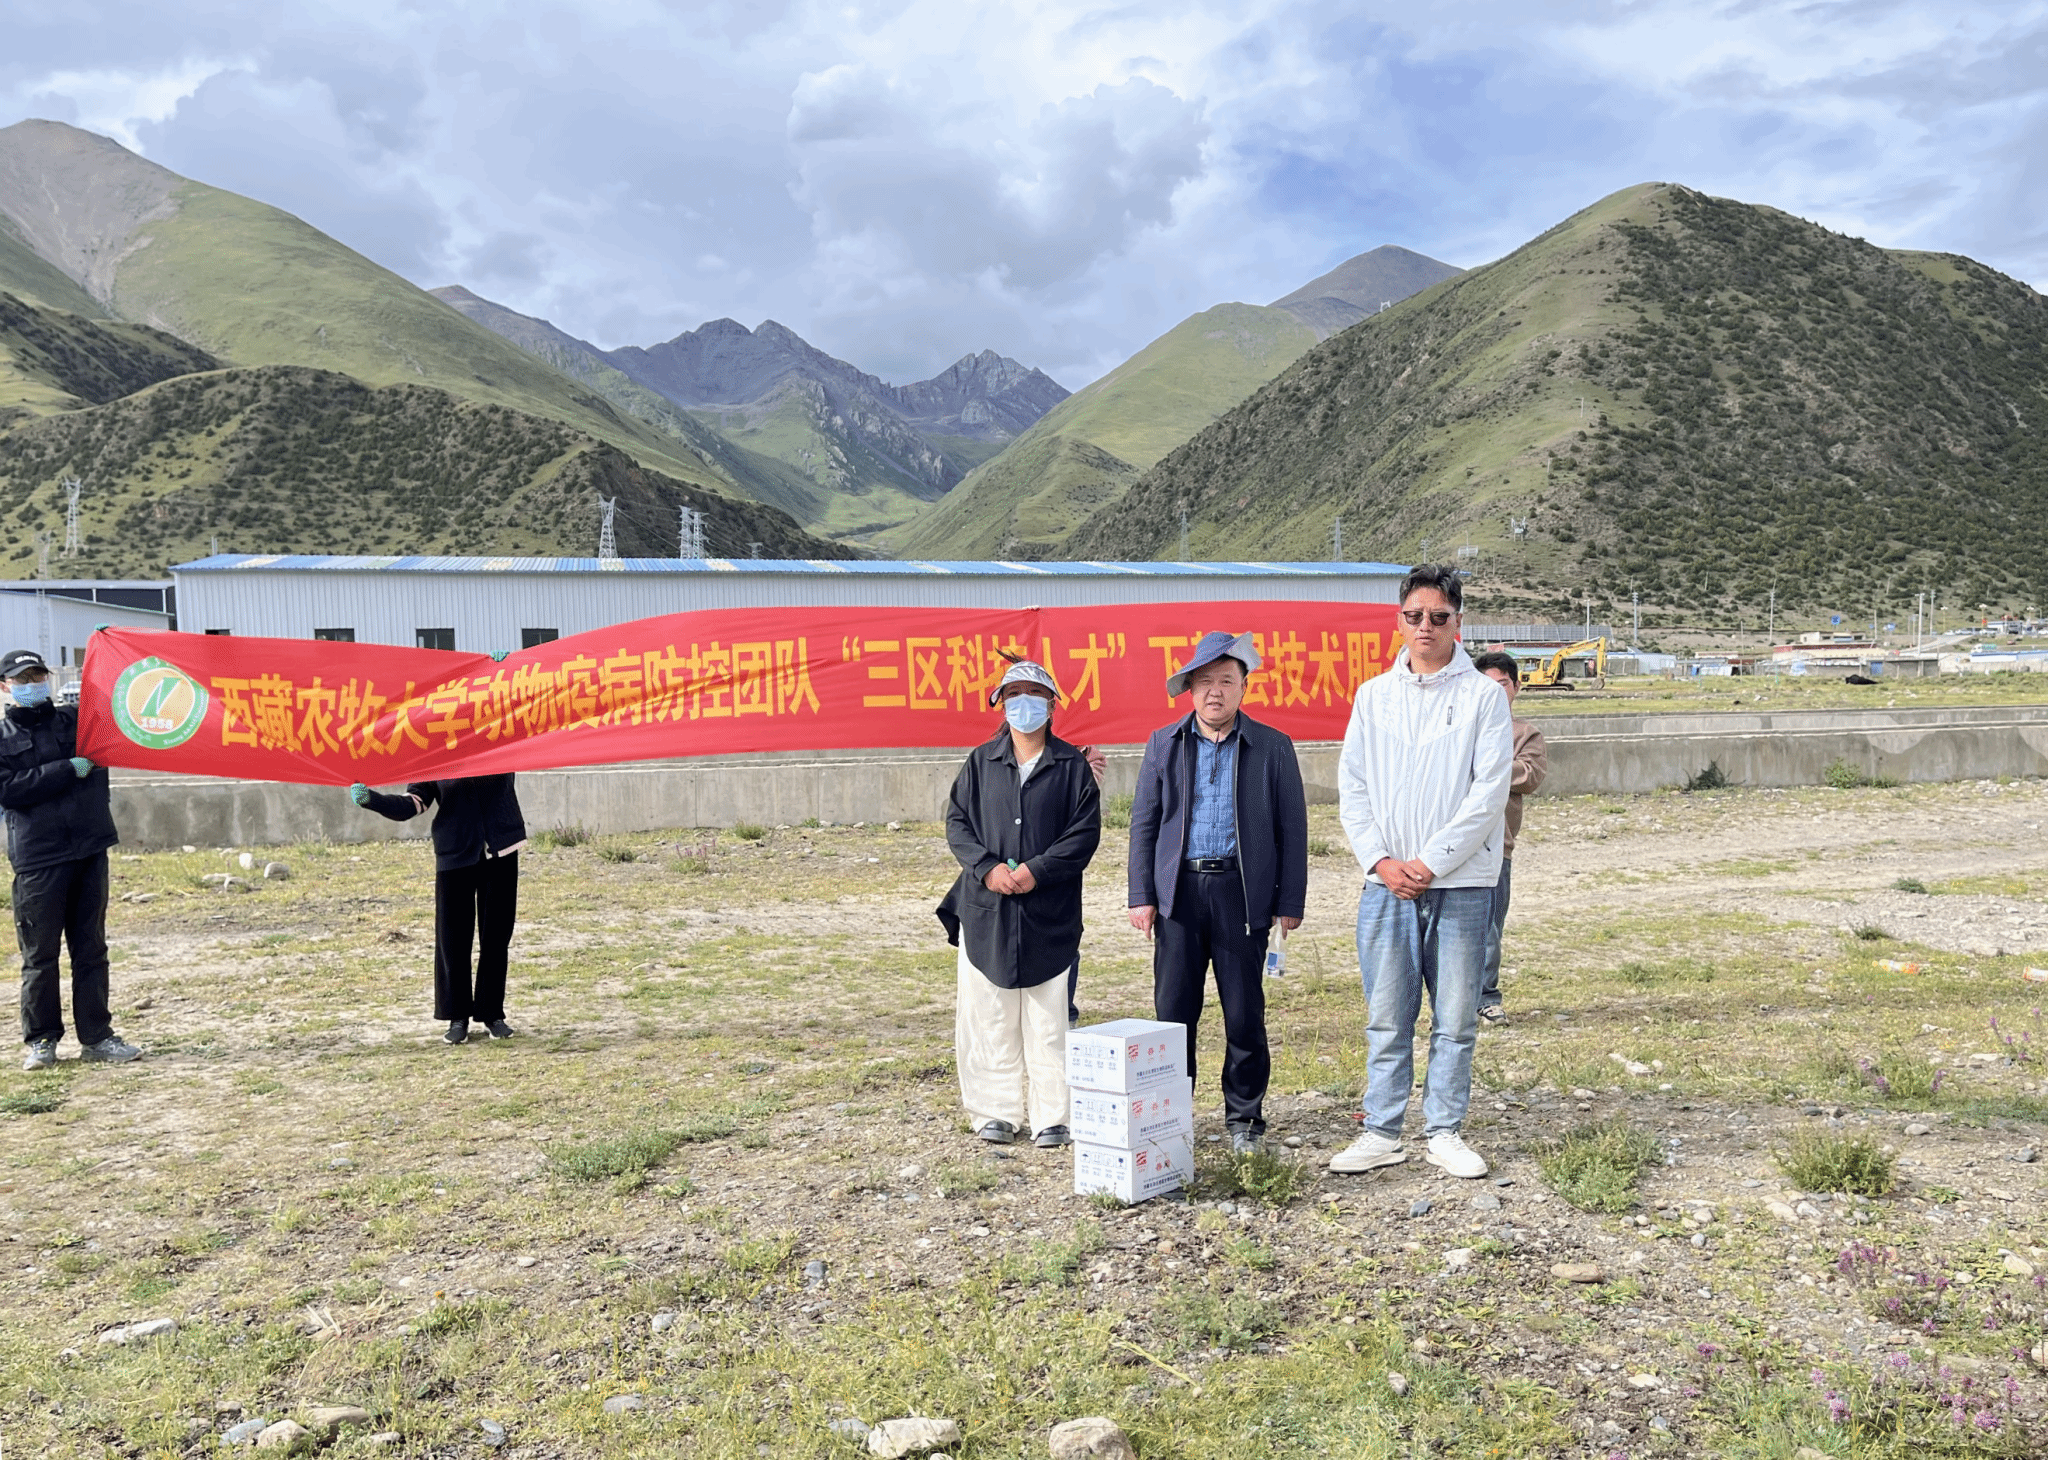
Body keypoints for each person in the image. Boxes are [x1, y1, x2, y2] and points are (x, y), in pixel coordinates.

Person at [1328, 565, 1512, 1180]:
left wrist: (1431, 862)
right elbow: (1353, 788)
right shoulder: (1373, 696)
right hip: (1386, 886)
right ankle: (1381, 1130)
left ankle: (1444, 1130)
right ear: (1399, 620)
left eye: (1438, 617)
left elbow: (1488, 794)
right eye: (1414, 616)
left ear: (1458, 622)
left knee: (1455, 1019)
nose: (1425, 627)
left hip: (1459, 886)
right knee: (1387, 1016)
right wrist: (1382, 862)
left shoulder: (1483, 698)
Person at [1127, 630, 1307, 1154]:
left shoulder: (1272, 746)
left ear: (1243, 688)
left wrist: (1289, 901)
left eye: (1226, 680)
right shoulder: (1164, 743)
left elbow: (1292, 827)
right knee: (1173, 1013)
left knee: (1244, 1012)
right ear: (1190, 689)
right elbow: (1144, 823)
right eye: (1205, 681)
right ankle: (1170, 1116)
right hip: (1179, 895)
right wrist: (1141, 894)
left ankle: (1245, 1119)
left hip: (1241, 893)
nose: (1215, 692)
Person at [937, 660, 1101, 1147]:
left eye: (1034, 694)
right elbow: (957, 824)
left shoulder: (1072, 767)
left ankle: (1054, 1116)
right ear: (1000, 704)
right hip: (986, 910)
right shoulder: (980, 762)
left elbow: (1083, 834)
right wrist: (987, 868)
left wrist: (1037, 870)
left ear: (1051, 706)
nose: (1023, 703)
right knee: (990, 1017)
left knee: (1050, 1021)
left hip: (1049, 913)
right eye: (1013, 694)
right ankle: (995, 1112)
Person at [2, 650, 137, 1071]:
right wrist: (66, 769)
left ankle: (97, 1036)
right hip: (39, 857)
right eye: (22, 679)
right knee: (40, 956)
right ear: (5, 686)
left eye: (37, 675)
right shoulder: (3, 737)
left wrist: (111, 652)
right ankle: (42, 1041)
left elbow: (120, 715)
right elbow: (8, 789)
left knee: (91, 949)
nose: (32, 684)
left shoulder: (77, 721)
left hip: (89, 848)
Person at [350, 776, 526, 1045]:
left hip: (501, 846)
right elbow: (412, 804)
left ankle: (492, 1013)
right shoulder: (436, 756)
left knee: (496, 936)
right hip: (454, 851)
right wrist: (371, 799)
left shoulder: (496, 747)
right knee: (452, 940)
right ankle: (457, 1016)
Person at [1469, 651, 1548, 1026]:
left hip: (1496, 846)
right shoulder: (1461, 727)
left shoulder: (1524, 734)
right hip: (1447, 846)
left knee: (1489, 927)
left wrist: (1484, 766)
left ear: (1516, 687)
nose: (1495, 692)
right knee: (1446, 928)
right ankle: (1450, 1002)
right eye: (1487, 685)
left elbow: (1530, 776)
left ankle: (1486, 998)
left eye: (1502, 684)